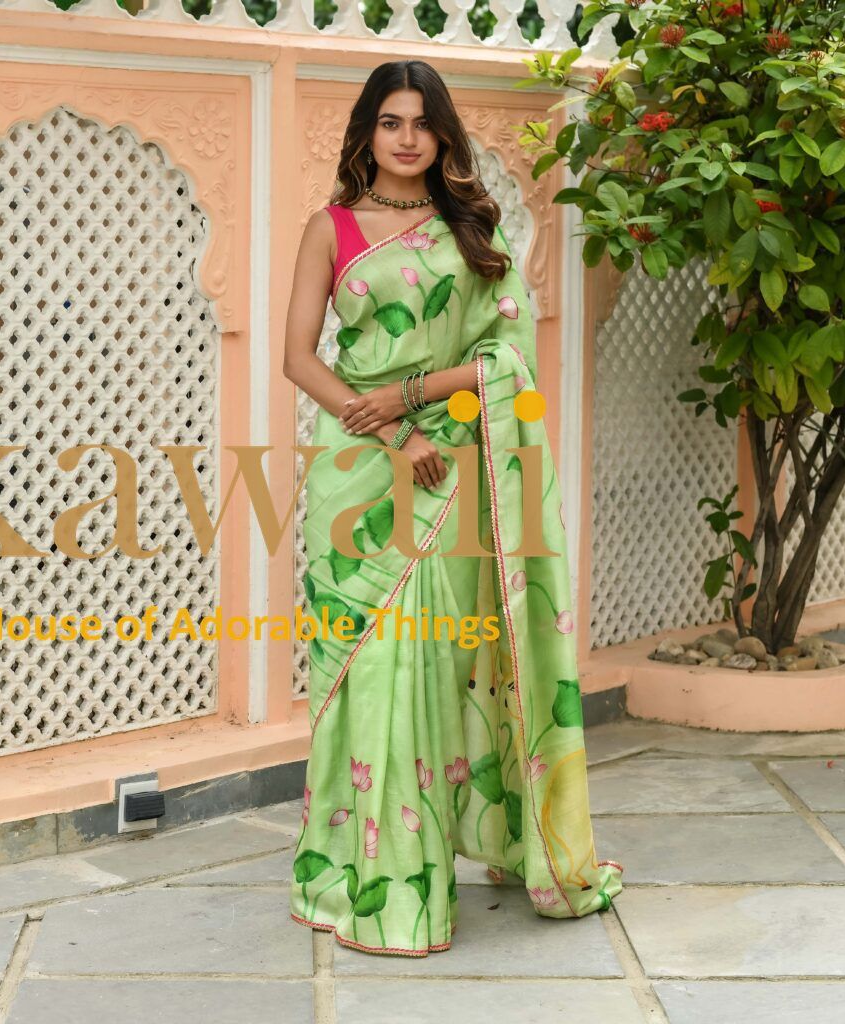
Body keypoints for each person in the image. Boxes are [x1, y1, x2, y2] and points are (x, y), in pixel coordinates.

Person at [281, 58, 624, 958]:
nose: (405, 137)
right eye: (389, 121)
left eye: (420, 122)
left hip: (450, 471)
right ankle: (352, 874)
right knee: (361, 673)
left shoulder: (471, 229)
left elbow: (505, 358)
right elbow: (299, 359)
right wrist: (391, 431)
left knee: (429, 671)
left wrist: (409, 398)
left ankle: (417, 882)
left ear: (440, 136)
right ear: (365, 131)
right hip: (358, 476)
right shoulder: (330, 228)